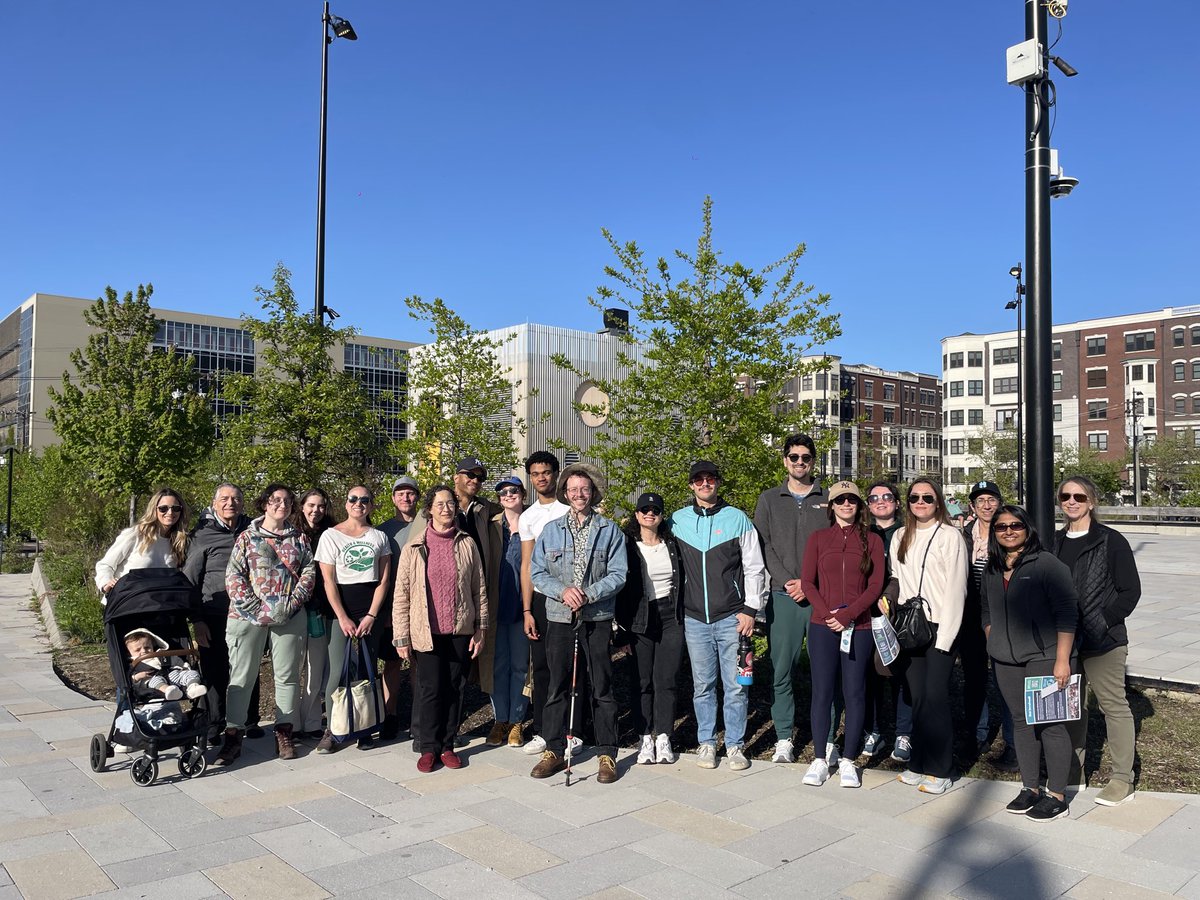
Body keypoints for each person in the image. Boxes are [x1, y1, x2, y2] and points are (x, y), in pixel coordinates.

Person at [529, 463, 627, 784]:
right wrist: (563, 591)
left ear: (593, 492)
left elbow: (618, 574)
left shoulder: (609, 530)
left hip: (596, 617)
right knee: (557, 683)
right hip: (559, 616)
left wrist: (588, 594)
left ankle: (607, 753)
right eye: (573, 489)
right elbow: (537, 572)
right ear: (565, 493)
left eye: (584, 489)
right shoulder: (551, 530)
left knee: (601, 684)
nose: (579, 494)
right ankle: (554, 749)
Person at [982, 505, 1079, 821]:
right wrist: (991, 636)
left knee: (1050, 722)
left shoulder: (1047, 565)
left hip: (1046, 656)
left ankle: (1057, 795)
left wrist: (1062, 659)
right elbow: (985, 609)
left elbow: (1067, 614)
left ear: (1027, 528)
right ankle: (1030, 788)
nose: (1009, 531)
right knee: (1021, 721)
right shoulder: (993, 567)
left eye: (1015, 525)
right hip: (1005, 659)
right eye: (1001, 527)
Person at [1053, 475, 1142, 807]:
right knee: (1071, 709)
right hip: (1066, 643)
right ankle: (1073, 771)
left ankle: (1123, 779)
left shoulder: (1111, 540)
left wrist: (1103, 620)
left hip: (1104, 642)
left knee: (1113, 707)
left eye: (1079, 496)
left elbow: (1130, 591)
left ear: (1091, 501)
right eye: (1065, 496)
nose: (1072, 501)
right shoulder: (1054, 542)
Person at [673, 460, 767, 772]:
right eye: (698, 479)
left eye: (710, 478)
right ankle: (707, 743)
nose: (704, 484)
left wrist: (751, 610)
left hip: (732, 618)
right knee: (703, 685)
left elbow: (755, 568)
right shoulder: (677, 520)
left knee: (737, 685)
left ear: (717, 482)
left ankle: (736, 745)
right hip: (695, 619)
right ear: (691, 485)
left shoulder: (738, 519)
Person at [219, 484, 316, 765]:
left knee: (287, 677)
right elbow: (234, 575)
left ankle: (284, 731)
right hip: (247, 616)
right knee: (241, 677)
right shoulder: (247, 537)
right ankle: (234, 735)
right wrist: (256, 608)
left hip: (289, 615)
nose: (281, 505)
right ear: (264, 504)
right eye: (275, 500)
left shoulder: (299, 539)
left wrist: (290, 604)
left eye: (287, 501)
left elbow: (309, 572)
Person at [393, 485, 487, 773]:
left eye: (450, 503)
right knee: (430, 689)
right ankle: (428, 747)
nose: (446, 508)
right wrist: (402, 636)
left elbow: (479, 590)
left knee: (455, 688)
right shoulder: (415, 546)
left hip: (460, 630)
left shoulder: (467, 543)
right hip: (426, 632)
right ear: (429, 509)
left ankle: (448, 745)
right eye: (440, 504)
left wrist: (480, 629)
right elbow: (402, 593)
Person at [800, 481, 885, 788]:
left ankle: (849, 759)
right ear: (832, 506)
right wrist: (828, 616)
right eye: (840, 500)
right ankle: (821, 758)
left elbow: (875, 586)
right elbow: (808, 583)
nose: (846, 504)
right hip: (823, 627)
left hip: (858, 626)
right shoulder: (819, 539)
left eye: (852, 500)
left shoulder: (872, 540)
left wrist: (848, 615)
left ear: (859, 505)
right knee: (822, 692)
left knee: (855, 692)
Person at [754, 434, 828, 764]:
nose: (800, 462)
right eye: (794, 457)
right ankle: (784, 736)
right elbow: (762, 545)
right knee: (781, 669)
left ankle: (826, 738)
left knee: (826, 671)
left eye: (806, 458)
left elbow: (834, 546)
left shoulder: (829, 499)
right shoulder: (769, 499)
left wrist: (809, 583)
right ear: (785, 460)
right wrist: (788, 580)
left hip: (820, 598)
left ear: (814, 461)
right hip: (782, 597)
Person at [891, 478, 967, 795]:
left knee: (935, 697)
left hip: (939, 626)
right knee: (918, 697)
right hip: (910, 626)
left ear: (938, 501)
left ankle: (941, 767)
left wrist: (946, 637)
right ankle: (918, 763)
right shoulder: (899, 536)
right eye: (914, 497)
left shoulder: (951, 537)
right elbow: (895, 579)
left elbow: (957, 588)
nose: (920, 502)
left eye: (927, 497)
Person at [314, 486, 392, 753]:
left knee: (366, 671)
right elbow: (328, 580)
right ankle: (333, 729)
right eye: (353, 499)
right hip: (342, 611)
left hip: (370, 609)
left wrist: (372, 614)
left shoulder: (379, 536)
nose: (359, 503)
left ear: (371, 505)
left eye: (365, 500)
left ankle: (364, 726)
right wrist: (343, 617)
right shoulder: (330, 536)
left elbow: (383, 580)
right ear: (346, 503)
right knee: (338, 671)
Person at [183, 484, 258, 738]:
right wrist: (196, 619)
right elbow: (191, 580)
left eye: (236, 498)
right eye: (224, 499)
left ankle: (250, 720)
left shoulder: (252, 529)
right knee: (215, 671)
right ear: (214, 504)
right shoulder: (202, 535)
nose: (230, 503)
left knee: (248, 666)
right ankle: (215, 723)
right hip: (213, 613)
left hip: (248, 612)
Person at [617, 491, 684, 765]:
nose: (649, 514)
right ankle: (645, 736)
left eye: (655, 510)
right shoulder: (627, 545)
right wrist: (620, 629)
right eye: (644, 509)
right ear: (636, 515)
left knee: (666, 680)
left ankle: (664, 736)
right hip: (639, 619)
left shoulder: (672, 544)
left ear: (661, 516)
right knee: (642, 681)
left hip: (670, 617)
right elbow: (619, 588)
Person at [518, 452, 573, 754]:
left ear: (556, 474)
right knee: (541, 666)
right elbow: (526, 565)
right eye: (536, 473)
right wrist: (527, 609)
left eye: (547, 472)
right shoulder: (528, 517)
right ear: (531, 477)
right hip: (540, 599)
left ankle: (571, 730)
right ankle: (542, 729)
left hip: (568, 598)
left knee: (569, 665)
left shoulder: (570, 509)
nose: (542, 477)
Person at [961, 481, 1016, 769]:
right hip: (970, 619)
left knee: (1006, 680)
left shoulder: (1008, 535)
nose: (985, 505)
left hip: (1002, 618)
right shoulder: (962, 537)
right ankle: (977, 734)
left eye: (991, 499)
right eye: (980, 500)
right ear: (972, 505)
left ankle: (1013, 742)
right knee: (975, 679)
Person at [484, 475, 530, 747]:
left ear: (522, 493)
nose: (508, 496)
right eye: (502, 493)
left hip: (522, 605)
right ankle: (500, 719)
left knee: (520, 667)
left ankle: (516, 721)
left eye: (513, 491)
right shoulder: (491, 526)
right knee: (497, 665)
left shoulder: (533, 522)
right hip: (495, 604)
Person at [865, 480, 909, 761]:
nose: (881, 501)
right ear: (868, 506)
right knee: (869, 674)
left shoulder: (907, 533)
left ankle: (904, 733)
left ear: (896, 502)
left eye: (887, 496)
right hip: (867, 611)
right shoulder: (862, 533)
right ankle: (874, 730)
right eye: (874, 498)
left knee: (902, 674)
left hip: (903, 611)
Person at [377, 476, 423, 741]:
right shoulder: (383, 531)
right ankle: (389, 714)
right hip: (393, 608)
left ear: (417, 497)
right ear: (393, 498)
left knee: (418, 662)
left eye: (410, 493)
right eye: (401, 494)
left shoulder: (426, 527)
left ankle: (419, 717)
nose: (406, 498)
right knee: (392, 662)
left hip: (420, 608)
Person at [293, 488, 335, 739]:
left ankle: (310, 720)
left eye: (320, 506)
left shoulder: (331, 534)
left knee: (315, 668)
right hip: (293, 610)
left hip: (320, 610)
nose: (315, 511)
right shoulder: (291, 534)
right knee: (291, 669)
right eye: (311, 505)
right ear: (302, 506)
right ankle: (290, 721)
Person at [96, 488, 191, 598]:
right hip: (126, 604)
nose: (170, 512)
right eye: (163, 508)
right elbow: (105, 565)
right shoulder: (135, 535)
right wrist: (106, 583)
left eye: (176, 508)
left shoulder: (180, 542)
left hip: (159, 607)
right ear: (153, 510)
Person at [125, 628, 207, 700]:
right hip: (155, 680)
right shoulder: (134, 664)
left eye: (147, 647)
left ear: (153, 645)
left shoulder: (161, 654)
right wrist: (137, 677)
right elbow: (131, 679)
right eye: (137, 650)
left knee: (192, 673)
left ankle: (193, 687)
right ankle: (169, 691)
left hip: (173, 674)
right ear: (129, 653)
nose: (143, 651)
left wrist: (184, 667)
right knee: (154, 681)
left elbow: (177, 661)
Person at [454, 457, 499, 572]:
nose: (475, 481)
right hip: (451, 584)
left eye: (480, 478)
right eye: (470, 475)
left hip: (480, 582)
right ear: (456, 478)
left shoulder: (484, 506)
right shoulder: (439, 506)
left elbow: (510, 508)